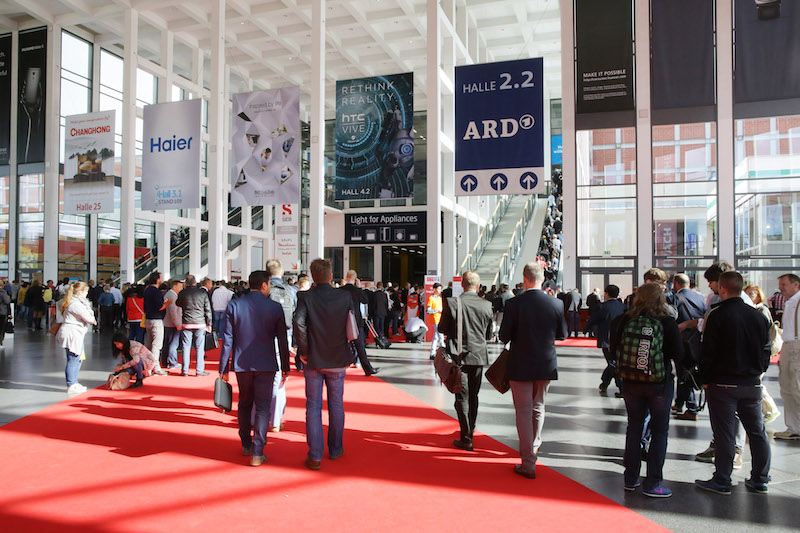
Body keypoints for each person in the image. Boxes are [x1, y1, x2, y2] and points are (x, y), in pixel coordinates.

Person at [695, 271, 772, 495]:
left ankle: (722, 479)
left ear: (722, 289)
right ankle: (760, 478)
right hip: (751, 383)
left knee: (725, 433)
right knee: (757, 431)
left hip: (723, 383)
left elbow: (708, 351)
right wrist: (758, 371)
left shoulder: (717, 315)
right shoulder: (758, 316)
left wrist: (706, 379)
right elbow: (766, 349)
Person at [610, 283, 683, 498]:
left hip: (631, 381)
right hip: (658, 383)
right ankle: (653, 483)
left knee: (634, 427)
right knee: (660, 431)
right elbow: (677, 354)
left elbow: (614, 349)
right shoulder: (667, 322)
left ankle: (630, 479)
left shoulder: (624, 320)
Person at [499, 262, 567, 479]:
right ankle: (535, 445)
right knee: (539, 406)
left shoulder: (514, 304)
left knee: (524, 411)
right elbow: (563, 334)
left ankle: (528, 461)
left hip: (520, 364)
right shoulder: (556, 303)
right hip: (545, 363)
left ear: (525, 278)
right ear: (543, 277)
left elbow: (503, 336)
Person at [219, 270, 290, 467]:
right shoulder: (275, 307)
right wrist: (286, 365)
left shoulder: (234, 305)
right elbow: (282, 340)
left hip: (242, 363)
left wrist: (223, 367)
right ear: (264, 285)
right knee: (263, 406)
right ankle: (258, 451)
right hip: (267, 363)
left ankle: (246, 444)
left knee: (244, 402)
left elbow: (227, 340)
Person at [293, 258, 356, 470]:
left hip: (314, 360)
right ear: (330, 276)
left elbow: (298, 323)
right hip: (338, 358)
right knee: (336, 403)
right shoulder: (345, 296)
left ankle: (315, 455)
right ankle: (336, 449)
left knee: (313, 406)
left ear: (312, 276)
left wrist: (304, 352)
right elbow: (353, 325)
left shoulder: (305, 297)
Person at [438, 270, 493, 452]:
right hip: (478, 356)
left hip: (458, 356)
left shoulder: (453, 303)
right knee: (474, 395)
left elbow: (442, 327)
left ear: (462, 284)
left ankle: (466, 437)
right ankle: (471, 427)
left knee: (461, 396)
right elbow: (488, 334)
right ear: (478, 286)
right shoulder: (487, 305)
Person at [266, 259, 297, 432]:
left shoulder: (265, 289)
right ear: (282, 273)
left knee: (262, 378)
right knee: (279, 380)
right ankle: (275, 421)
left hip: (264, 338)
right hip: (284, 337)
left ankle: (260, 416)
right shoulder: (290, 290)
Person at [672, 273, 708, 422]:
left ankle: (692, 408)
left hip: (682, 340)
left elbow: (672, 317)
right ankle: (680, 403)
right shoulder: (700, 297)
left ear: (676, 283)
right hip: (696, 340)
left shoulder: (674, 298)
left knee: (684, 374)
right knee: (690, 370)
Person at [744, 284, 781, 424]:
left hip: (760, 352)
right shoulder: (752, 310)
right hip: (754, 352)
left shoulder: (762, 310)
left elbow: (763, 332)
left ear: (758, 296)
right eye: (746, 293)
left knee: (757, 382)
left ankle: (771, 410)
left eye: (752, 294)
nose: (749, 296)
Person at [584, 285, 627, 395]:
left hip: (606, 340)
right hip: (621, 340)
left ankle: (620, 387)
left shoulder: (602, 307)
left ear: (606, 294)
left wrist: (585, 329)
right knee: (614, 362)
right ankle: (605, 383)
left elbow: (593, 319)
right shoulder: (624, 307)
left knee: (613, 363)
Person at [55, 282, 97, 394]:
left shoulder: (68, 301)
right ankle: (71, 383)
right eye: (86, 291)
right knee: (73, 360)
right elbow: (89, 318)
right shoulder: (76, 304)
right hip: (73, 334)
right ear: (80, 292)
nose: (87, 294)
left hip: (73, 333)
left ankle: (73, 382)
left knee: (76, 359)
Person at [339, 270, 379, 376]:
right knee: (360, 346)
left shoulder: (340, 290)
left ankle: (337, 368)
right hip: (356, 321)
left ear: (346, 277)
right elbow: (365, 300)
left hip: (342, 321)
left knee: (340, 345)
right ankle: (367, 369)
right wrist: (359, 287)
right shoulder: (356, 290)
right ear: (355, 278)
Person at [775, 273, 800, 440]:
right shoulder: (790, 302)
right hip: (788, 346)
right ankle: (793, 427)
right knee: (787, 389)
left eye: (784, 284)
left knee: (797, 387)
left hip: (796, 347)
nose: (780, 288)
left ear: (796, 285)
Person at [176, 275, 212, 377]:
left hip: (187, 322)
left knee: (186, 346)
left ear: (186, 283)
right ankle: (199, 370)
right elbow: (208, 309)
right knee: (200, 347)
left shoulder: (182, 293)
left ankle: (185, 370)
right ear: (195, 282)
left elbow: (178, 303)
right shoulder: (202, 293)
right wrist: (209, 323)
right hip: (200, 322)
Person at [143, 272, 171, 375]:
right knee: (156, 345)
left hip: (148, 319)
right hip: (156, 320)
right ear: (158, 280)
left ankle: (146, 366)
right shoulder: (156, 291)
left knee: (148, 344)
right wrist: (168, 303)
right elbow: (159, 307)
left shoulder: (147, 290)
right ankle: (155, 367)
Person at [163, 279, 184, 371]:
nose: (181, 288)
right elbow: (173, 312)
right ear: (174, 286)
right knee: (173, 344)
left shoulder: (169, 295)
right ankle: (172, 362)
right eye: (180, 287)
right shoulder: (172, 296)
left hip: (168, 323)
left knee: (167, 344)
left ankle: (165, 361)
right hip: (172, 324)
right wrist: (178, 324)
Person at [427, 283, 444, 360]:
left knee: (436, 337)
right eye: (438, 289)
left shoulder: (439, 298)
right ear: (434, 289)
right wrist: (437, 310)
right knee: (440, 336)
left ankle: (432, 353)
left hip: (440, 318)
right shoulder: (431, 298)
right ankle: (444, 353)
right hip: (435, 318)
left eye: (440, 289)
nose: (440, 290)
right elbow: (428, 311)